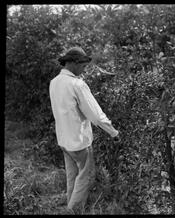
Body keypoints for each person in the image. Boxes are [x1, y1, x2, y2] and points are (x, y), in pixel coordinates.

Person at [49, 47, 120, 213]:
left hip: (64, 141)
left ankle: (71, 207)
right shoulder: (77, 84)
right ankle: (71, 211)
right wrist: (113, 132)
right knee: (86, 177)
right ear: (73, 63)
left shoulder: (54, 82)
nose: (84, 69)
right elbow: (95, 116)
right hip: (79, 142)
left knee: (72, 178)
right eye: (82, 65)